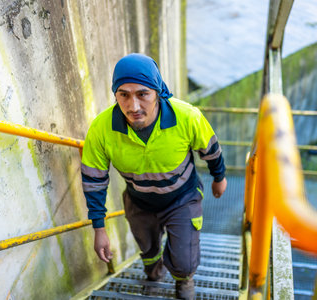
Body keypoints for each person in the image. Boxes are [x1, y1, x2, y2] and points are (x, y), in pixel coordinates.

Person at [81, 53, 227, 299]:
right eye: (123, 95)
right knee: (148, 250)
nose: (134, 106)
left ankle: (183, 281)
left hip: (182, 197)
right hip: (139, 202)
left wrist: (219, 177)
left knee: (184, 259)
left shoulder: (187, 117)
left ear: (158, 91)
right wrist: (99, 228)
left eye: (143, 94)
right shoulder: (101, 130)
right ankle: (153, 270)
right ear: (115, 94)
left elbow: (210, 149)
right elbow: (94, 180)